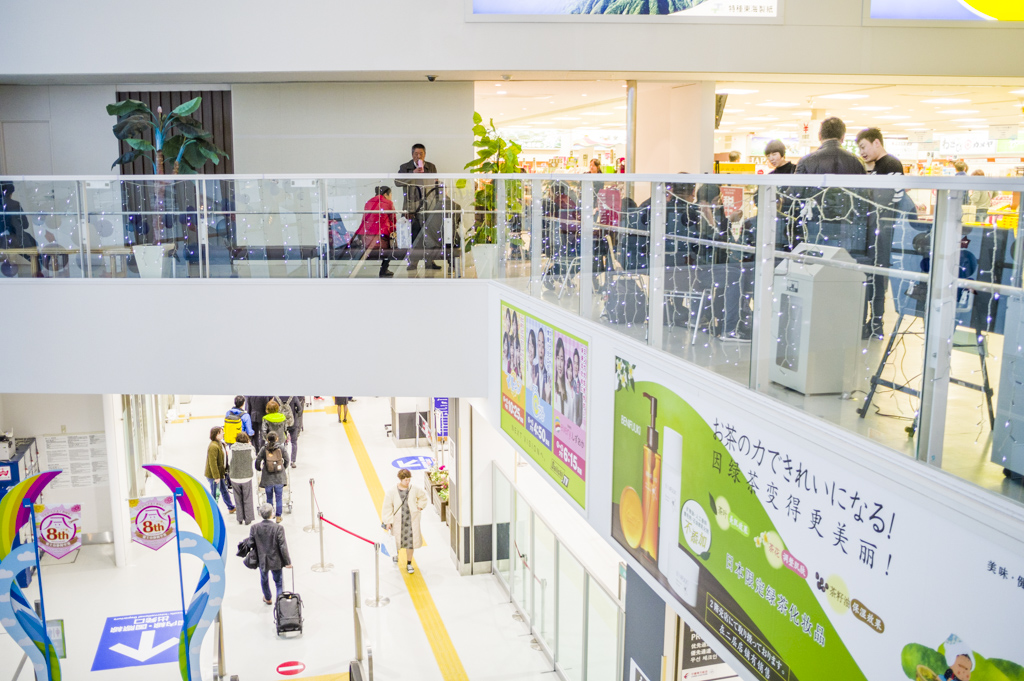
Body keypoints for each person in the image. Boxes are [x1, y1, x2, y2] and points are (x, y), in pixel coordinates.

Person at [856, 127, 904, 340]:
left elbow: (885, 200)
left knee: (877, 278)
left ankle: (876, 324)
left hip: (883, 231)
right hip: (875, 230)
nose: (862, 152)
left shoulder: (891, 164)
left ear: (877, 142)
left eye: (863, 146)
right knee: (871, 277)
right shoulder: (876, 166)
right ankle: (871, 323)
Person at [396, 144, 438, 271]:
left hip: (428, 206)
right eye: (416, 154)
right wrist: (412, 174)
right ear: (412, 154)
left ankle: (429, 262)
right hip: (411, 208)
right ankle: (413, 263)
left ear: (425, 154)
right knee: (414, 236)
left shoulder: (431, 167)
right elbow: (397, 182)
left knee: (429, 236)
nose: (418, 156)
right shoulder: (405, 167)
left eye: (421, 153)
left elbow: (436, 184)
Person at [381, 468, 428, 574]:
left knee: (410, 543)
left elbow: (423, 497)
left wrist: (419, 507)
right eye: (405, 480)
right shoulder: (392, 491)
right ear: (400, 479)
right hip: (397, 522)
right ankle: (395, 555)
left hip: (411, 521)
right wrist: (388, 521)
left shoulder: (414, 488)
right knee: (396, 541)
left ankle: (409, 563)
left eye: (409, 479)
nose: (408, 482)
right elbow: (387, 507)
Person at [249, 502, 292, 604]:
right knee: (279, 582)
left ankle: (268, 598)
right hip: (276, 560)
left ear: (260, 514)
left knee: (264, 579)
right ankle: (279, 604)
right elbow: (283, 546)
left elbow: (251, 543)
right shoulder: (278, 528)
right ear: (272, 514)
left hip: (262, 559)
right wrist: (287, 562)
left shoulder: (254, 528)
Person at [355, 186, 397, 278]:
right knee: (392, 246)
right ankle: (383, 270)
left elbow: (365, 219)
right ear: (386, 194)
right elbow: (393, 220)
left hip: (366, 237)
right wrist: (394, 230)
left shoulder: (368, 202)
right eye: (390, 194)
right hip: (382, 238)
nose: (391, 197)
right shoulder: (388, 203)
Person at [255, 431, 287, 522]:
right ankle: (278, 516)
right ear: (277, 438)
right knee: (279, 497)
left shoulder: (264, 448)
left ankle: (270, 515)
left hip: (267, 477)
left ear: (267, 439)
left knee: (269, 497)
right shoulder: (281, 448)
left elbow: (258, 460)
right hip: (279, 477)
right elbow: (287, 459)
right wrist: (283, 468)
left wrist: (258, 468)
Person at [204, 426, 235, 514]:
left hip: (220, 474)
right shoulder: (213, 447)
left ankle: (231, 507)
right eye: (221, 432)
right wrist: (216, 477)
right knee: (215, 493)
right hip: (214, 476)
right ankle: (213, 510)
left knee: (224, 490)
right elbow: (212, 463)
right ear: (216, 434)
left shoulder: (220, 443)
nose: (223, 434)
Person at [228, 432, 256, 525]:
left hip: (234, 477)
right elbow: (253, 458)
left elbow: (229, 462)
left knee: (237, 498)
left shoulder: (232, 449)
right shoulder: (250, 449)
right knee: (247, 498)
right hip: (246, 477)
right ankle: (248, 519)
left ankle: (239, 518)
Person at [285, 396, 304, 468]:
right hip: (293, 423)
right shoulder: (293, 397)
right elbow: (299, 409)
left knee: (282, 443)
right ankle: (293, 461)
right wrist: (296, 417)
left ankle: (283, 459)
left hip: (282, 423)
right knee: (294, 442)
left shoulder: (277, 397)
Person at [552, 338, 568, 415]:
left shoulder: (567, 391)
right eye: (558, 358)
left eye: (562, 359)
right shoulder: (552, 387)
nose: (560, 364)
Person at [537, 328, 551, 403]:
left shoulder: (548, 376)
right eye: (539, 345)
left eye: (543, 346)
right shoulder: (532, 370)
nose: (541, 350)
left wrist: (548, 398)